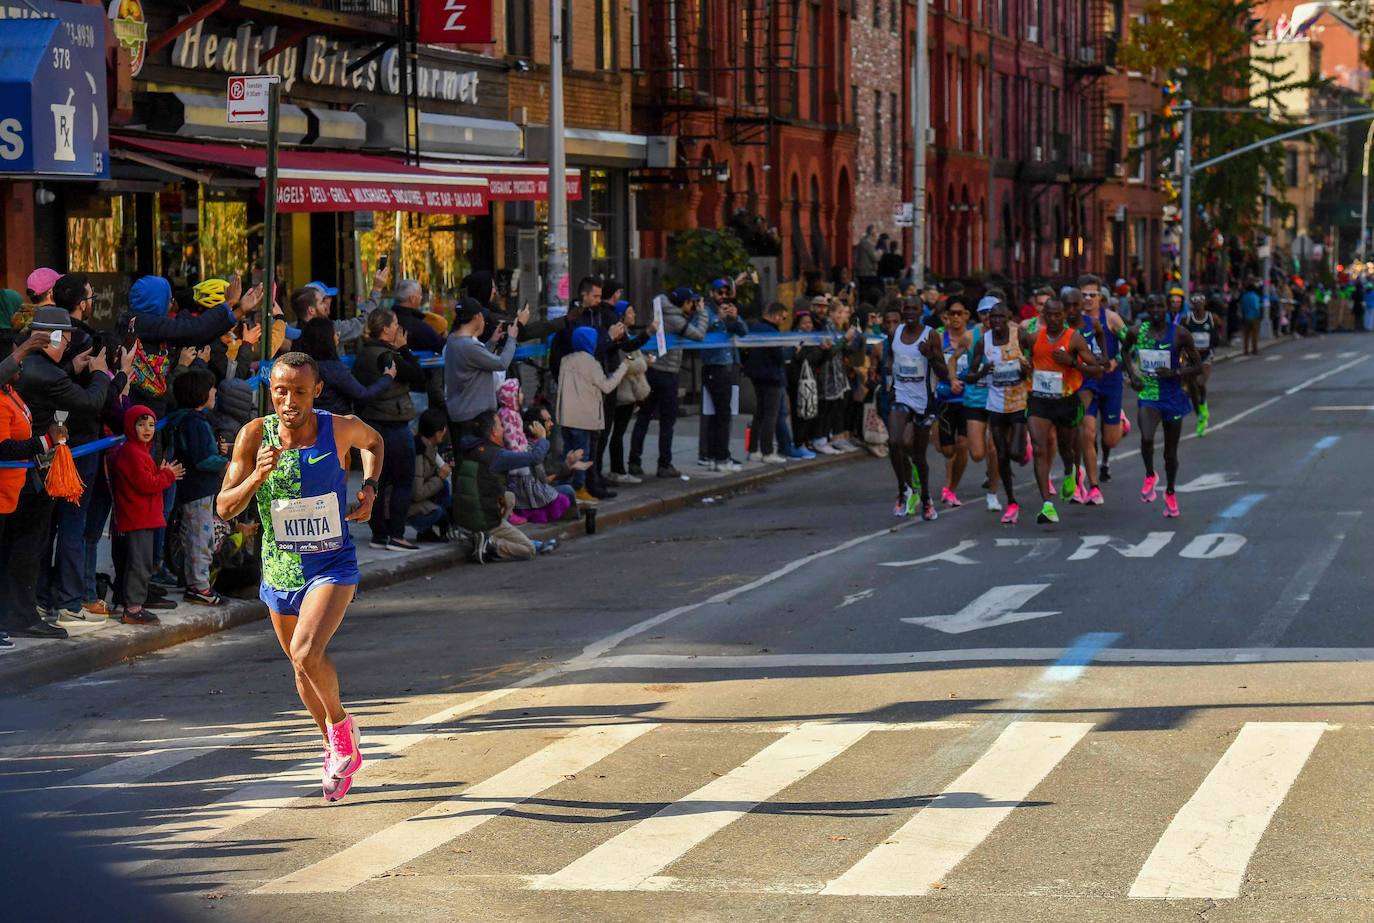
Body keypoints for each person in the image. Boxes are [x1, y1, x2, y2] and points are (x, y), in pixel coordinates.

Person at [216, 352, 384, 803]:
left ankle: (343, 729)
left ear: (317, 392)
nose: (289, 401)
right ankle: (332, 747)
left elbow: (375, 443)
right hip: (279, 568)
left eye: (300, 392)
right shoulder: (255, 435)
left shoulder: (339, 427)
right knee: (299, 667)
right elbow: (224, 507)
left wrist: (368, 489)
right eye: (281, 391)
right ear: (270, 390)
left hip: (332, 564)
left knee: (307, 650)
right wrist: (256, 475)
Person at [0, 334, 68, 641]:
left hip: (14, 493)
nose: (21, 363)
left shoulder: (10, 390)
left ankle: (15, 615)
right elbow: (3, 448)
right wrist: (45, 441)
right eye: (16, 357)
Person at [1124, 294, 1202, 518]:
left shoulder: (1179, 334)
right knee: (1147, 437)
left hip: (1172, 397)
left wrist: (1175, 372)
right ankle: (1150, 474)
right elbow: (1124, 354)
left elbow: (1197, 366)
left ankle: (1170, 492)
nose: (1156, 310)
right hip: (1148, 394)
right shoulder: (1137, 332)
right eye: (1152, 306)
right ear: (1146, 309)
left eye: (1160, 306)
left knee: (1170, 453)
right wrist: (1133, 375)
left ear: (1167, 308)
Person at [1024, 297, 1101, 524]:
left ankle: (1071, 471)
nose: (1054, 319)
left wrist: (1072, 362)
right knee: (1039, 448)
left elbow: (1097, 370)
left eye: (1058, 315)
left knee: (1067, 450)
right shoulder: (1034, 337)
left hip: (1066, 401)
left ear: (1064, 316)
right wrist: (1025, 367)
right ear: (1044, 315)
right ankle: (1047, 505)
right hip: (1039, 400)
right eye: (1050, 314)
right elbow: (1028, 358)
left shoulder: (1074, 339)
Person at [353, 309, 425, 551]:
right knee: (403, 480)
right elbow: (418, 376)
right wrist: (404, 348)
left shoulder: (363, 353)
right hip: (393, 425)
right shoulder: (387, 356)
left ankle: (379, 534)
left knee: (376, 481)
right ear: (385, 329)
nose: (398, 329)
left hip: (370, 424)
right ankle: (396, 534)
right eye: (395, 324)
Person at [111, 405, 186, 625]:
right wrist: (167, 475)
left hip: (143, 518)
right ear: (130, 426)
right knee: (139, 564)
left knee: (140, 562)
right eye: (141, 424)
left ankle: (132, 604)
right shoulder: (132, 452)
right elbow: (146, 484)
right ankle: (133, 609)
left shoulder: (141, 451)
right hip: (137, 519)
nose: (147, 429)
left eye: (151, 424)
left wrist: (162, 472)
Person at [629, 288, 708, 479]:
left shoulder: (658, 309)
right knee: (667, 422)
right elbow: (698, 335)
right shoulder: (676, 319)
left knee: (644, 417)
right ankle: (664, 464)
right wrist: (702, 312)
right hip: (667, 374)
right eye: (690, 302)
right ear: (683, 302)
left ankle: (634, 462)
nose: (692, 306)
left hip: (652, 369)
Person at [965, 302, 1031, 523]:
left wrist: (1025, 370)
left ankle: (1024, 446)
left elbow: (1035, 361)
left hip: (1019, 402)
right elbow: (970, 376)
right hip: (995, 405)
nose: (996, 322)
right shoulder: (983, 342)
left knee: (1016, 454)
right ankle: (1012, 501)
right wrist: (984, 370)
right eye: (993, 318)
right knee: (1001, 455)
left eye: (1001, 317)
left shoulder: (1019, 334)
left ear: (1009, 317)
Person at [455, 410, 549, 563]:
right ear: (493, 432)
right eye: (500, 426)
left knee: (509, 497)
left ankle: (482, 535)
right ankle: (491, 544)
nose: (503, 429)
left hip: (463, 518)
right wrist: (542, 439)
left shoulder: (468, 448)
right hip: (482, 518)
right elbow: (535, 457)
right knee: (528, 549)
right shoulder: (497, 455)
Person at [168, 370, 228, 605]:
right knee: (201, 538)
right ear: (199, 393)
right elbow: (202, 459)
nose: (214, 392)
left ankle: (192, 580)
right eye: (210, 388)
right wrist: (225, 463)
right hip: (198, 488)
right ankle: (199, 587)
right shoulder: (195, 423)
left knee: (193, 535)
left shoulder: (187, 420)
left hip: (194, 489)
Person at [884, 297, 946, 520]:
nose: (910, 312)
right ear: (902, 310)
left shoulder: (930, 335)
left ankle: (927, 498)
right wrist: (891, 370)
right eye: (906, 308)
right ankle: (904, 490)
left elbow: (944, 372)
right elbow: (892, 357)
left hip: (925, 402)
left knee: (919, 456)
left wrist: (931, 355)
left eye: (914, 309)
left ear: (922, 311)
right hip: (901, 396)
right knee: (894, 442)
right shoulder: (896, 333)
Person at [557, 326, 627, 503]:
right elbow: (606, 386)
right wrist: (623, 368)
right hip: (584, 418)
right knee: (583, 454)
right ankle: (579, 488)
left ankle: (564, 488)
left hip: (566, 416)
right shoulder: (592, 363)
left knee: (568, 453)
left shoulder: (565, 360)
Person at [1078, 275, 1129, 491]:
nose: (1088, 299)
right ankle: (1092, 482)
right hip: (1085, 382)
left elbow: (1132, 344)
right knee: (1087, 433)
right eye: (1084, 295)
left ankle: (1120, 423)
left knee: (1110, 440)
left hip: (1110, 381)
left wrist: (1116, 361)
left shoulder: (1111, 319)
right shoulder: (1074, 321)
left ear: (1101, 296)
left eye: (1092, 295)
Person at [443, 298, 526, 427]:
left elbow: (475, 359)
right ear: (478, 317)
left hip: (460, 412)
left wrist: (492, 342)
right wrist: (512, 338)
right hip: (474, 416)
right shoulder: (468, 345)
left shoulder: (453, 339)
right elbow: (501, 363)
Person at [295, 317, 397, 416]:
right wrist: (387, 377)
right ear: (326, 339)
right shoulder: (333, 369)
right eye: (335, 333)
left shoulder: (302, 365)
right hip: (335, 423)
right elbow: (363, 395)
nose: (338, 335)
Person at [700, 280, 750, 471]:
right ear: (712, 292)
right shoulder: (705, 311)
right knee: (720, 414)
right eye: (719, 292)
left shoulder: (729, 310)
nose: (723, 296)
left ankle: (716, 455)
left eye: (726, 293)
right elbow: (699, 331)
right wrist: (717, 319)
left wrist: (735, 318)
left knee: (721, 413)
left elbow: (743, 332)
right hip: (714, 366)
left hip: (728, 366)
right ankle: (720, 457)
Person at [932, 296, 973, 506]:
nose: (956, 318)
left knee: (963, 444)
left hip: (967, 400)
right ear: (946, 316)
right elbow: (934, 364)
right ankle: (949, 485)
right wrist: (950, 379)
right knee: (946, 450)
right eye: (952, 314)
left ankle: (951, 488)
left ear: (967, 315)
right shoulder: (939, 338)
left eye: (960, 313)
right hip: (945, 398)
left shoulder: (973, 337)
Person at [960, 297, 999, 512]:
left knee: (994, 449)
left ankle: (992, 493)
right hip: (975, 398)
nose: (988, 317)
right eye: (983, 312)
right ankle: (991, 472)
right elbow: (954, 357)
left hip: (999, 398)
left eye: (991, 312)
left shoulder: (1009, 335)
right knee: (977, 453)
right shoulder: (969, 337)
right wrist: (954, 377)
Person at [742, 302, 790, 464]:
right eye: (782, 318)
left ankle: (753, 449)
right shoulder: (772, 332)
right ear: (776, 315)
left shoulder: (754, 328)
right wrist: (791, 350)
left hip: (756, 376)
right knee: (770, 415)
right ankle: (767, 451)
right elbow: (779, 356)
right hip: (772, 376)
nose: (782, 321)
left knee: (760, 414)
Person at [407, 407, 452, 543]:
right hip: (401, 506)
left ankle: (429, 532)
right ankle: (425, 529)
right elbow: (417, 493)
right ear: (437, 433)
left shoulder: (427, 445)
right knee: (440, 512)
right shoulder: (418, 452)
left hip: (412, 500)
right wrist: (439, 478)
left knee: (446, 493)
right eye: (443, 429)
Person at [1181, 293, 1217, 436]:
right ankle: (1200, 416)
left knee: (1201, 381)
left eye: (1200, 303)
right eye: (1195, 303)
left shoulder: (1211, 317)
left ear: (1204, 304)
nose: (1198, 306)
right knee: (1192, 389)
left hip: (1206, 356)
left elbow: (1220, 324)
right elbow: (1180, 332)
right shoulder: (1188, 318)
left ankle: (1203, 404)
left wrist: (1215, 339)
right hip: (1191, 357)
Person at [1240, 280, 1263, 355]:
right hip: (1254, 317)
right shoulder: (1255, 296)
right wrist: (1259, 315)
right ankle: (1254, 350)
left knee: (1246, 335)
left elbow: (1242, 307)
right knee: (1254, 335)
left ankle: (1246, 350)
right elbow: (1256, 307)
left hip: (1246, 317)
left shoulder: (1244, 296)